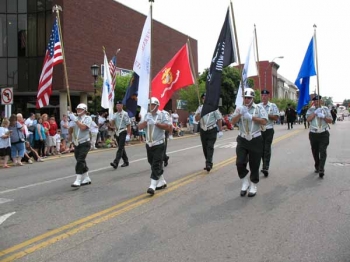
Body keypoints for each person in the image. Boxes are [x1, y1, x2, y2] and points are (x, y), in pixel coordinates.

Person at [231, 88, 268, 197]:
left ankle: (253, 184)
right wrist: (240, 114)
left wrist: (251, 117)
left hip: (255, 138)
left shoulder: (259, 108)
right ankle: (245, 180)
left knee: (254, 164)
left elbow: (265, 121)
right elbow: (232, 121)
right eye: (245, 97)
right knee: (239, 162)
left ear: (253, 98)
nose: (246, 100)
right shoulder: (239, 108)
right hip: (242, 139)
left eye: (249, 98)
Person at [137, 97, 171, 196]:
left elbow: (167, 126)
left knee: (156, 163)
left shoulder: (163, 114)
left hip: (159, 143)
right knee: (151, 162)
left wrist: (156, 123)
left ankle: (152, 186)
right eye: (149, 105)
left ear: (157, 106)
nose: (150, 107)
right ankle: (162, 181)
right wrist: (146, 122)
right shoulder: (147, 115)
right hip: (149, 143)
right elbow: (139, 127)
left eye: (152, 105)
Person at [194, 93, 223, 172]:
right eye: (203, 98)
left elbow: (219, 119)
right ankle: (209, 161)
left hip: (212, 130)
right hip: (203, 130)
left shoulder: (214, 108)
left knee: (210, 146)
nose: (205, 100)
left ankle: (208, 164)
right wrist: (200, 112)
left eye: (206, 98)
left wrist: (220, 130)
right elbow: (196, 119)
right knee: (205, 148)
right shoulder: (200, 108)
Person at [306, 95, 332, 178]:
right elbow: (308, 119)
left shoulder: (326, 109)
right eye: (315, 101)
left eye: (318, 101)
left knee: (323, 151)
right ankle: (317, 165)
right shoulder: (310, 109)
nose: (317, 102)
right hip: (313, 134)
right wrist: (315, 113)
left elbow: (330, 120)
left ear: (321, 101)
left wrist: (323, 116)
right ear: (314, 102)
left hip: (323, 133)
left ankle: (321, 169)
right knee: (315, 151)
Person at [68, 103, 93, 187]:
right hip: (76, 143)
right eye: (77, 109)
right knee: (81, 161)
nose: (78, 111)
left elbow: (83, 128)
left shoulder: (88, 118)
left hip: (85, 143)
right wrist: (70, 123)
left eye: (80, 109)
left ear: (84, 110)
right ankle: (87, 178)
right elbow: (70, 130)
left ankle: (78, 180)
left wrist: (75, 120)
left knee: (80, 160)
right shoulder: (75, 118)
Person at [259, 90, 279, 177]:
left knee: (266, 148)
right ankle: (264, 165)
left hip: (268, 129)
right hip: (259, 130)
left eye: (265, 95)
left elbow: (276, 117)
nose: (264, 97)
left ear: (268, 96)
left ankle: (265, 167)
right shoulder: (258, 106)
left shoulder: (272, 106)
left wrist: (267, 115)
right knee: (260, 149)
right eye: (262, 95)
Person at [110, 101, 131, 169]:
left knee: (120, 148)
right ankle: (126, 161)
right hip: (117, 132)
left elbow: (128, 124)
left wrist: (128, 134)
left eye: (119, 105)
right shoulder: (115, 114)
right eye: (117, 105)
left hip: (123, 131)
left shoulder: (125, 114)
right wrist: (111, 120)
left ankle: (115, 162)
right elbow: (112, 125)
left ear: (122, 106)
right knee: (121, 147)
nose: (117, 106)